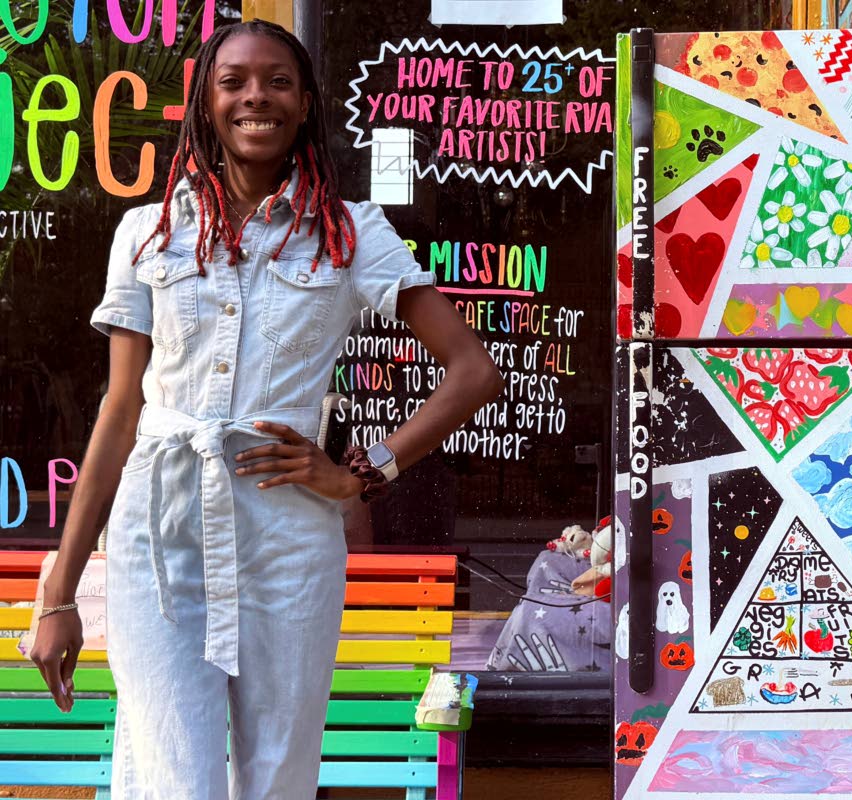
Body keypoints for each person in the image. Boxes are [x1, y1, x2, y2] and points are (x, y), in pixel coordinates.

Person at [27, 19, 502, 797]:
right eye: (234, 81)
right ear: (206, 105)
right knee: (169, 774)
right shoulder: (147, 235)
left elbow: (473, 373)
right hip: (159, 538)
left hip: (289, 542)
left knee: (278, 777)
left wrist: (363, 472)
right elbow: (118, 414)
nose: (257, 97)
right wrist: (60, 593)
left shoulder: (351, 233)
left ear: (307, 104)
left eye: (278, 81)